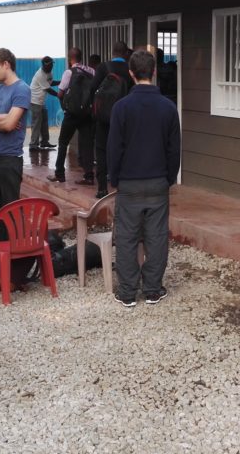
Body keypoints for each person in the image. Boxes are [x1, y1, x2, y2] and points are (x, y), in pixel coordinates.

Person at [108, 50, 181, 307]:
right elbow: (174, 149)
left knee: (127, 237)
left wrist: (114, 177)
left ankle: (127, 292)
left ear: (130, 73)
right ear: (154, 71)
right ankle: (152, 289)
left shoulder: (121, 107)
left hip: (129, 182)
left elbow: (114, 148)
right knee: (157, 236)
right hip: (158, 180)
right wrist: (169, 178)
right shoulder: (168, 107)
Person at [0, 47, 31, 241]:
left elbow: (11, 125)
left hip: (9, 159)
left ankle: (15, 254)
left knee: (10, 209)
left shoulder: (22, 89)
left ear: (6, 64)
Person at [91, 42, 133, 199]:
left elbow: (92, 88)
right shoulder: (129, 70)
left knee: (101, 150)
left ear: (112, 52)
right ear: (125, 53)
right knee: (123, 149)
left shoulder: (103, 67)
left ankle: (102, 188)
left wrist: (93, 109)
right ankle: (123, 186)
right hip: (122, 117)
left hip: (103, 117)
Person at [49, 47, 95, 184]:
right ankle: (89, 176)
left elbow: (60, 93)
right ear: (81, 57)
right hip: (86, 113)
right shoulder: (91, 71)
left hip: (72, 114)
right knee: (87, 144)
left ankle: (59, 174)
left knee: (63, 142)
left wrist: (65, 107)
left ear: (70, 59)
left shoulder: (69, 72)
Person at [28, 56, 58, 151]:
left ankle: (44, 141)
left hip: (41, 101)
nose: (51, 67)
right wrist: (60, 95)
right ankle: (33, 145)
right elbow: (48, 89)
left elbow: (50, 82)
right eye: (49, 66)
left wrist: (62, 82)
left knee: (44, 121)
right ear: (44, 65)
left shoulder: (49, 72)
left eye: (52, 65)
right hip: (34, 101)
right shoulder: (40, 74)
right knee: (36, 123)